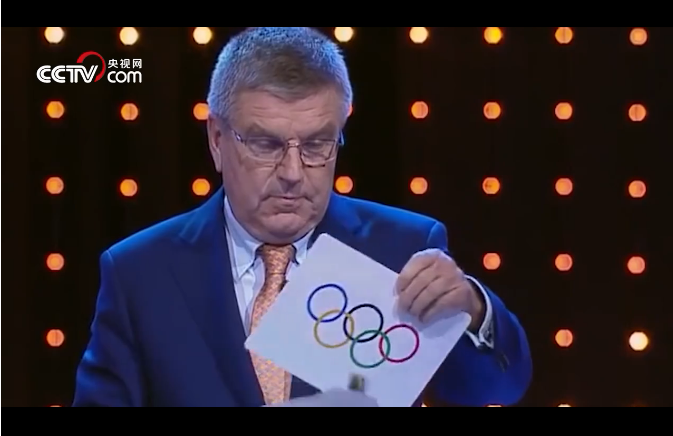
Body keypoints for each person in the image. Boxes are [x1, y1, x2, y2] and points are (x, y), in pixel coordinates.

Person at [72, 27, 532, 408]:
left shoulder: (403, 247)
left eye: (316, 145)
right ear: (217, 139)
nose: (293, 173)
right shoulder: (139, 273)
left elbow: (496, 390)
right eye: (265, 144)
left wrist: (473, 309)